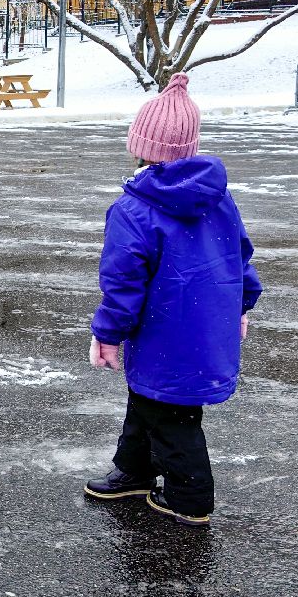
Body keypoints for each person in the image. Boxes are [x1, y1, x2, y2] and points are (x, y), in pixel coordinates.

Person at [84, 73, 263, 527]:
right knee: (150, 400)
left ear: (139, 145)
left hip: (163, 329)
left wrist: (107, 332)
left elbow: (123, 281)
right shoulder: (219, 200)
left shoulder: (132, 209)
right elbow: (239, 255)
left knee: (172, 415)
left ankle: (190, 496)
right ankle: (136, 470)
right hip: (204, 327)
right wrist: (242, 303)